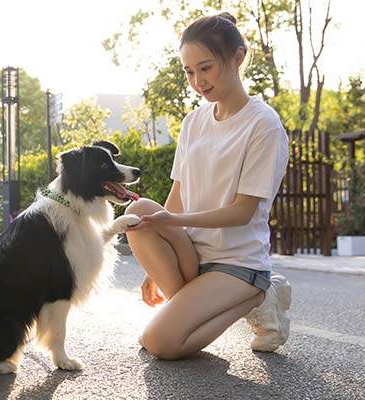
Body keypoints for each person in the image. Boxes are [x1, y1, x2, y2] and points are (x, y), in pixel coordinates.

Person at [124, 12, 291, 360]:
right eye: (189, 72)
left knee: (159, 343)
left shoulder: (264, 125)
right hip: (193, 255)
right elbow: (178, 198)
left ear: (237, 57)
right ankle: (190, 305)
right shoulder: (193, 123)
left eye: (206, 67)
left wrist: (169, 223)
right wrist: (155, 266)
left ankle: (261, 294)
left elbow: (243, 211)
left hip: (237, 261)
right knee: (137, 213)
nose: (197, 81)